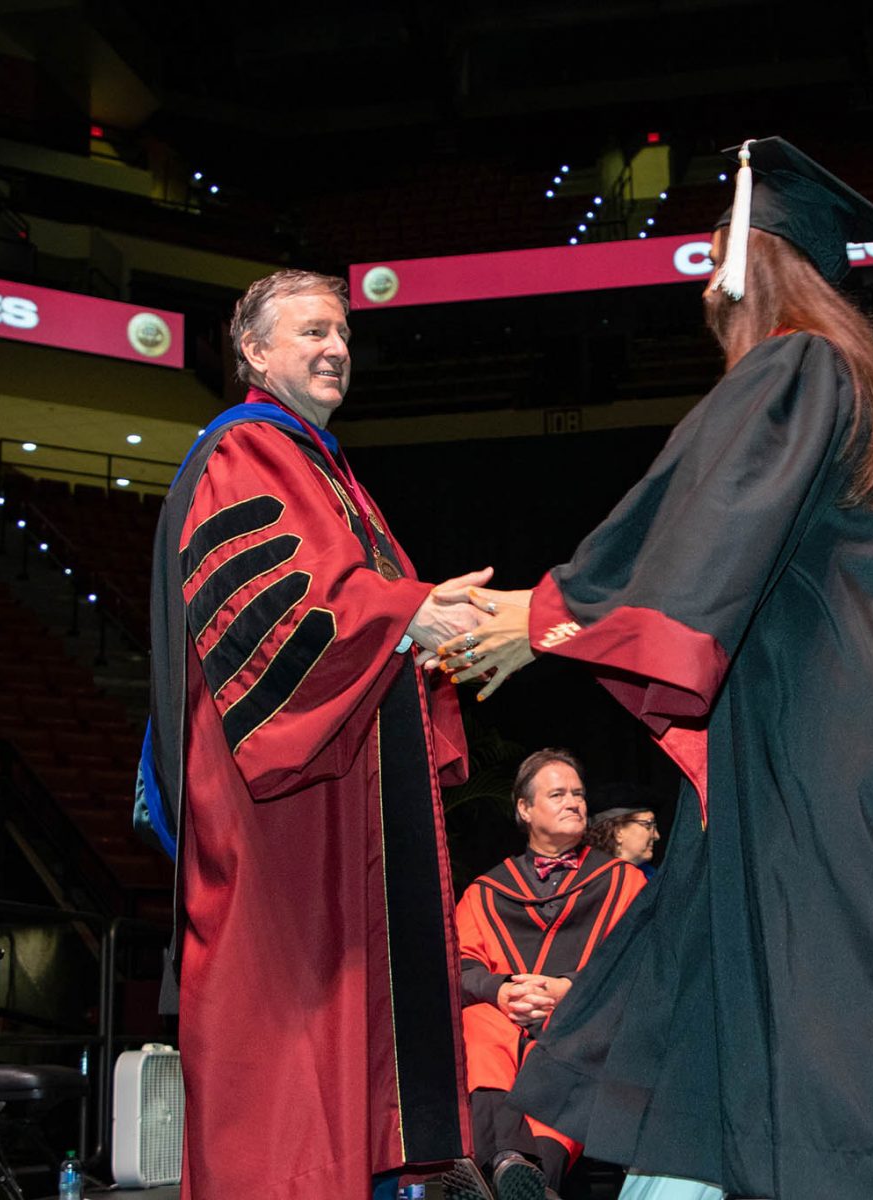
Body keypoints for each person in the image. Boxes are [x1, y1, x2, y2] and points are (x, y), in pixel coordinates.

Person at [438, 137, 873, 1199]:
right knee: (730, 988)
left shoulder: (801, 366)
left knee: (815, 1012)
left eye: (717, 263)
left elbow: (709, 524)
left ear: (749, 265)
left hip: (797, 758)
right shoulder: (859, 382)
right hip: (821, 751)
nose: (710, 296)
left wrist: (546, 614)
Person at [145, 269, 490, 1200]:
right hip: (283, 803)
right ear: (254, 352)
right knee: (285, 1026)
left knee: (336, 1021)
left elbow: (366, 610)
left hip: (338, 791)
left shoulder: (324, 469)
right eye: (310, 333)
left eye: (341, 332)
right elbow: (284, 614)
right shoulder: (246, 453)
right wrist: (411, 611)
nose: (335, 347)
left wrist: (426, 627)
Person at [447, 748, 645, 1200]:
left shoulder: (622, 882)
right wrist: (500, 991)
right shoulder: (486, 891)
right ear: (524, 808)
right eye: (557, 793)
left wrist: (566, 990)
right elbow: (460, 963)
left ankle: (531, 1173)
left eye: (578, 793)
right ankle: (511, 1166)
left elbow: (638, 961)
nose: (574, 802)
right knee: (480, 1022)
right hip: (507, 1015)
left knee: (581, 1034)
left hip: (583, 1018)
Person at [586, 806, 659, 874]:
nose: (656, 836)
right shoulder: (590, 877)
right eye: (648, 825)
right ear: (618, 832)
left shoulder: (653, 878)